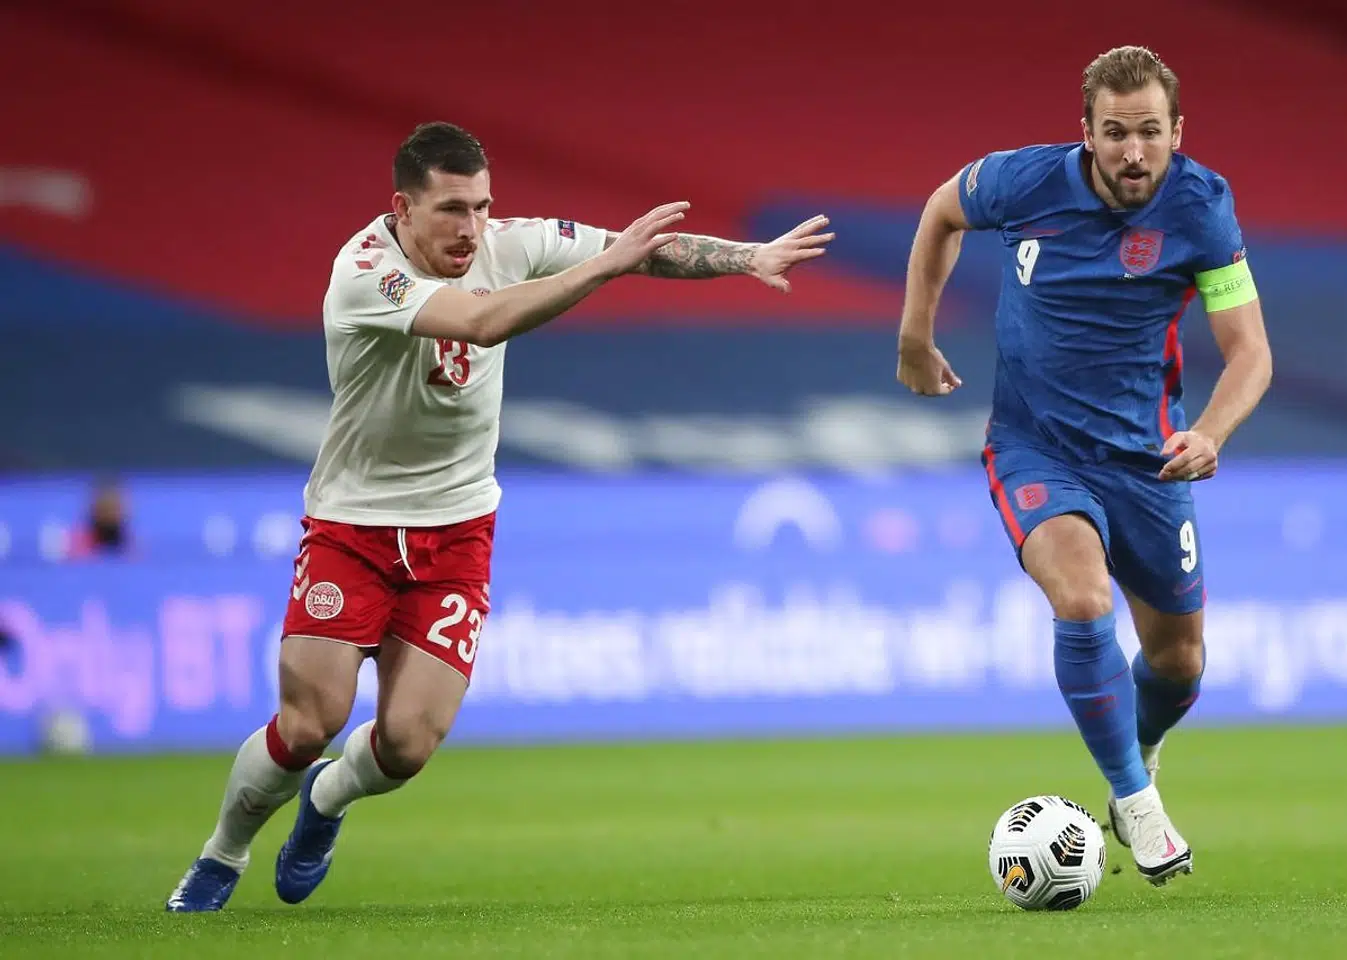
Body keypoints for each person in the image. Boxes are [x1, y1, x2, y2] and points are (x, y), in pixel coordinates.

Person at [166, 121, 833, 912]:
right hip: (354, 526)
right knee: (311, 721)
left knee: (407, 745)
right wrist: (608, 267)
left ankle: (326, 802)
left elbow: (640, 247)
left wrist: (745, 258)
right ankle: (222, 855)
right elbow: (484, 322)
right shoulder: (364, 273)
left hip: (457, 530)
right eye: (451, 209)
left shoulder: (509, 241)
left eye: (481, 207)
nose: (471, 228)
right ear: (403, 208)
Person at [896, 45, 1272, 884]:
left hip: (1149, 461)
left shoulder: (1202, 209)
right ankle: (1138, 805)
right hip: (1037, 446)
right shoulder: (1023, 183)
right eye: (1114, 132)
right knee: (1081, 596)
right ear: (1087, 133)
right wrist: (915, 333)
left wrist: (1209, 432)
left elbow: (1249, 352)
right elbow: (938, 212)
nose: (1132, 151)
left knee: (1178, 660)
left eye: (1148, 132)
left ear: (1177, 131)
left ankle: (1137, 748)